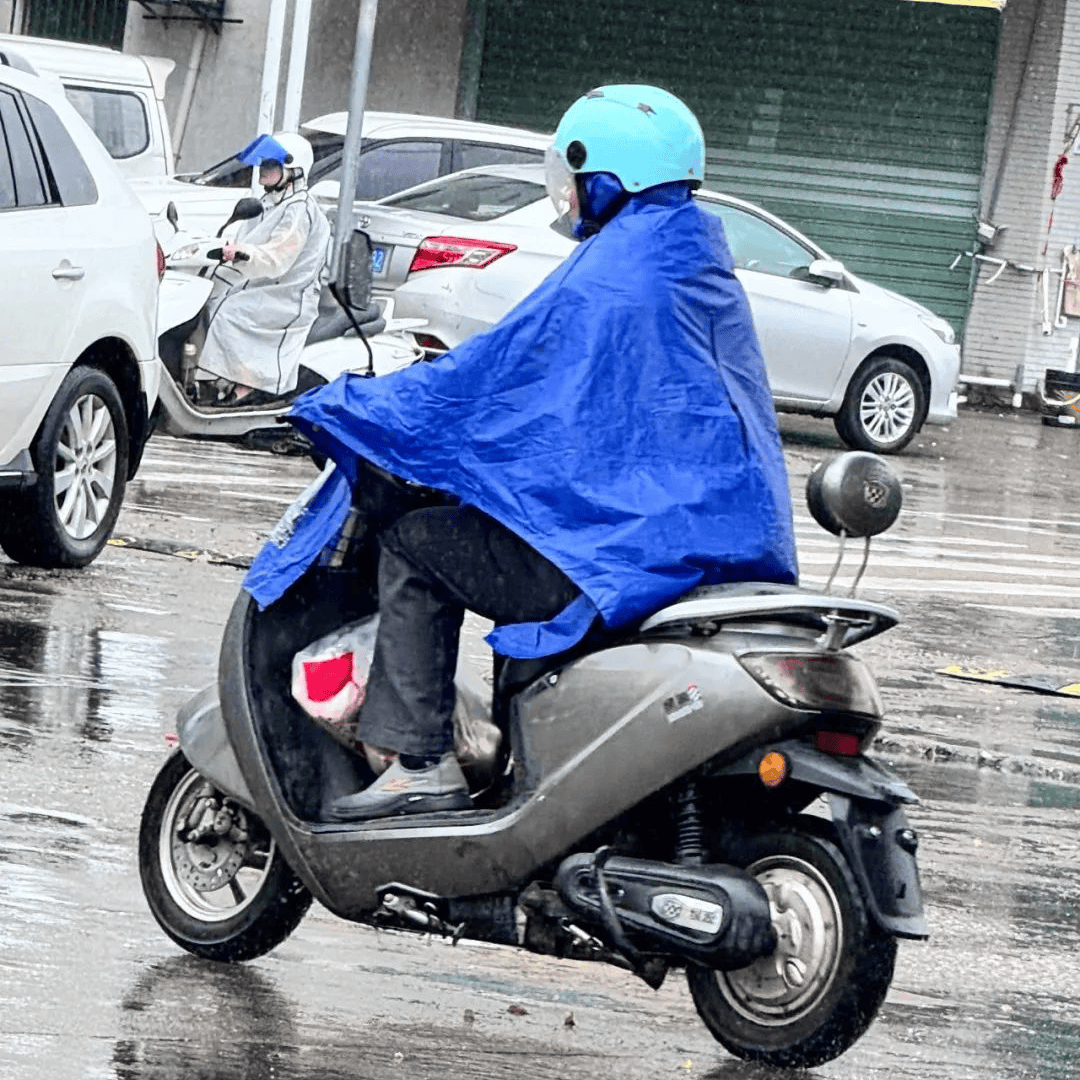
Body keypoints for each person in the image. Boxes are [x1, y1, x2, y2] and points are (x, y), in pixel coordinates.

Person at [243, 84, 799, 821]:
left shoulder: (611, 273)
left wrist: (350, 405)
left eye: (569, 176)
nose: (563, 196)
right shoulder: (692, 260)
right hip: (726, 545)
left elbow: (495, 382)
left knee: (415, 545)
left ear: (604, 175)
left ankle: (419, 761)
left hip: (633, 549)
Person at [196, 132, 331, 406]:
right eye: (265, 164)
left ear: (294, 168)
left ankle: (249, 386)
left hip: (288, 294)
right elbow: (248, 239)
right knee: (207, 300)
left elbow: (278, 256)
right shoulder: (269, 204)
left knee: (231, 313)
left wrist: (242, 253)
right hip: (261, 284)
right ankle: (207, 379)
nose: (264, 170)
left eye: (272, 164)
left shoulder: (299, 210)